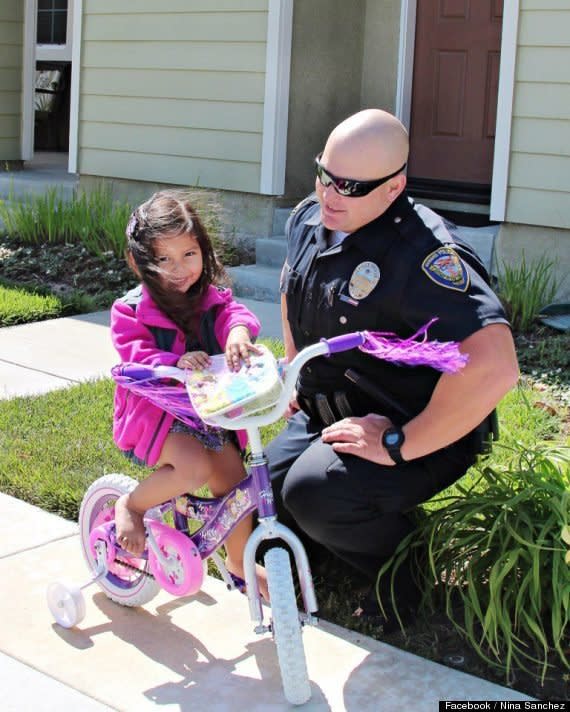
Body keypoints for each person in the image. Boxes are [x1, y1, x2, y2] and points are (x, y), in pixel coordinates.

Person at [266, 109, 519, 623]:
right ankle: (329, 549)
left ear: (394, 186)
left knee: (313, 496)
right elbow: (291, 291)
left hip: (417, 426)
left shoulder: (423, 254)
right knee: (261, 494)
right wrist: (295, 368)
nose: (329, 193)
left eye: (350, 185)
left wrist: (399, 443)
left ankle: (406, 579)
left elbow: (495, 366)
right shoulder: (309, 219)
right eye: (324, 174)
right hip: (329, 413)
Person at [110, 190, 268, 598]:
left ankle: (239, 564)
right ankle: (132, 505)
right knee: (194, 468)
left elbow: (236, 314)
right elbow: (136, 355)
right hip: (157, 417)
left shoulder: (210, 299)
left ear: (204, 252)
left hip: (207, 411)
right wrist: (172, 361)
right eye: (164, 259)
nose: (180, 269)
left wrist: (235, 333)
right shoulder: (129, 310)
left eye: (189, 255)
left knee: (236, 483)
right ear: (138, 262)